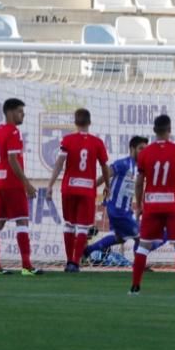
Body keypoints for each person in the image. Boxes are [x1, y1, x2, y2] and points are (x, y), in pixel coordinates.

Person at [130, 114, 175, 297]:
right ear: (169, 130)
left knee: (143, 246)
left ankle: (135, 287)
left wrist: (138, 205)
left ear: (154, 131)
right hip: (174, 205)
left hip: (153, 204)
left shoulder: (145, 153)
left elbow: (139, 182)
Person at [46, 109, 111, 273]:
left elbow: (60, 163)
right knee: (82, 227)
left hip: (69, 188)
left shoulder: (67, 140)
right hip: (87, 190)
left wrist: (50, 184)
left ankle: (68, 261)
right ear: (89, 122)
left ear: (75, 123)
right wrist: (108, 186)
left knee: (69, 225)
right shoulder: (97, 142)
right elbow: (105, 167)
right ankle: (75, 263)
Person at [0, 98, 42, 276]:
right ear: (10, 112)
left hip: (0, 184)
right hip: (13, 184)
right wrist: (26, 183)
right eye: (20, 111)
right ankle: (26, 265)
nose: (23, 114)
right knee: (22, 222)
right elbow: (12, 159)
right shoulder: (13, 132)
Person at [84, 136, 149, 263]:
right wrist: (91, 187)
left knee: (120, 238)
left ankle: (87, 250)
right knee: (141, 237)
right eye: (141, 148)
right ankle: (140, 265)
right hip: (117, 210)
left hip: (123, 210)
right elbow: (106, 174)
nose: (144, 152)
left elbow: (137, 187)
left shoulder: (140, 167)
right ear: (132, 149)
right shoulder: (123, 163)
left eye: (146, 149)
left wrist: (140, 204)